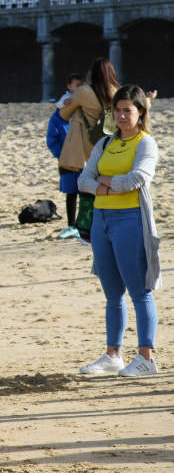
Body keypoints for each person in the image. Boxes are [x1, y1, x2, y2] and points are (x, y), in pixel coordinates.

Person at [77, 85, 160, 378]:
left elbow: (137, 179)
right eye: (118, 110)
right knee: (112, 293)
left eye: (128, 110)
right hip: (102, 220)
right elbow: (83, 181)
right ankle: (113, 354)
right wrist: (104, 185)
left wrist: (104, 182)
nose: (122, 116)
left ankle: (146, 358)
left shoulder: (145, 143)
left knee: (140, 290)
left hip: (130, 219)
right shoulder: (105, 144)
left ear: (141, 112)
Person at [60, 58, 121, 243]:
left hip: (88, 144)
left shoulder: (83, 91)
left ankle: (86, 229)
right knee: (106, 182)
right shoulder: (117, 91)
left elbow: (64, 114)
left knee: (87, 183)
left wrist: (74, 107)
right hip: (110, 143)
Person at [48, 74, 86, 239]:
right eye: (76, 86)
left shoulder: (87, 112)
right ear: (69, 86)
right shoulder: (58, 116)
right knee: (71, 193)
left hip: (86, 159)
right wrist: (62, 156)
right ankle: (71, 226)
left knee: (87, 192)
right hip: (68, 161)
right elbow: (52, 140)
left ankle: (84, 225)